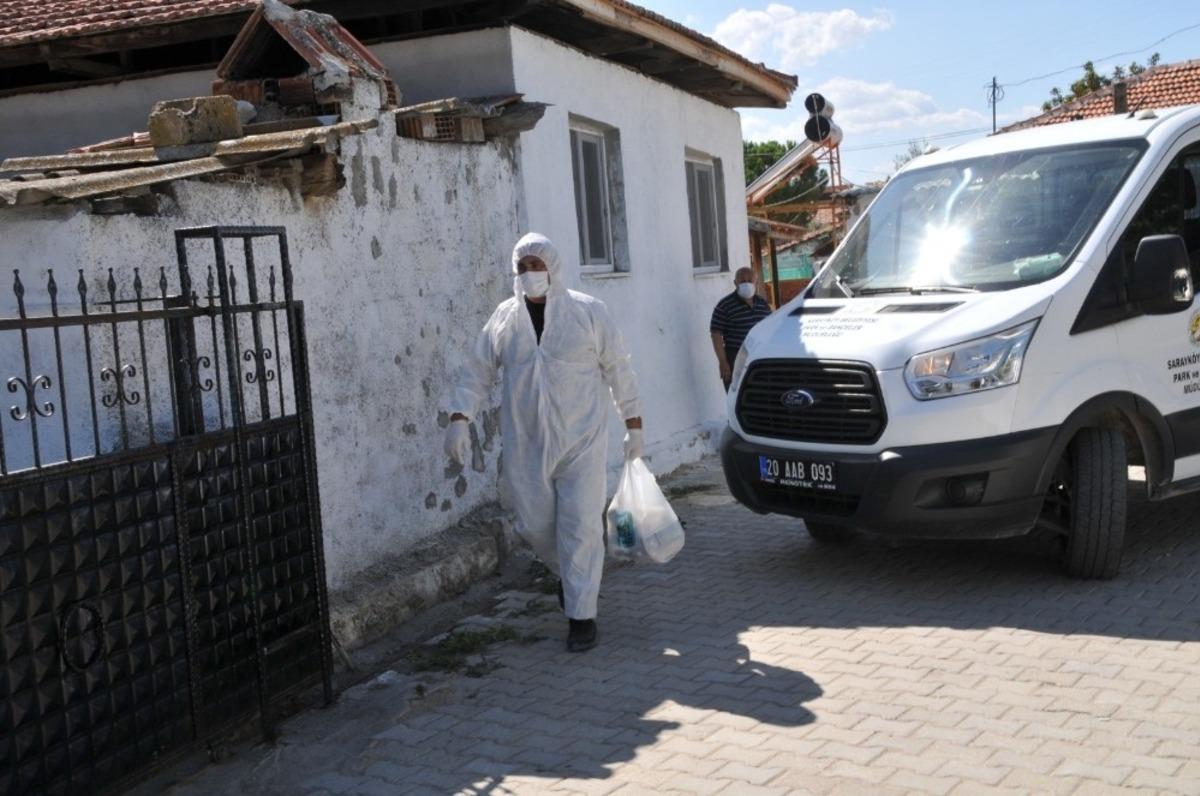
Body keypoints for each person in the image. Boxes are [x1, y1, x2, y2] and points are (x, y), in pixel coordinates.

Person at [444, 232, 642, 653]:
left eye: (538, 266)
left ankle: (582, 617)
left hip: (583, 439)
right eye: (523, 267)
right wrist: (460, 418)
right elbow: (478, 371)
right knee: (533, 524)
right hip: (527, 442)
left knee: (582, 525)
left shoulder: (589, 313)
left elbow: (618, 369)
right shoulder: (504, 319)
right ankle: (570, 577)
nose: (531, 274)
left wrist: (634, 423)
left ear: (553, 267)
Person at [710, 267, 772, 391]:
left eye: (750, 280)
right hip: (735, 359)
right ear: (735, 283)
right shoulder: (725, 305)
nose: (747, 284)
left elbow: (770, 328)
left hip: (759, 358)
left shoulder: (762, 304)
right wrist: (723, 362)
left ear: (756, 282)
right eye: (742, 281)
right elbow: (716, 333)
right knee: (737, 398)